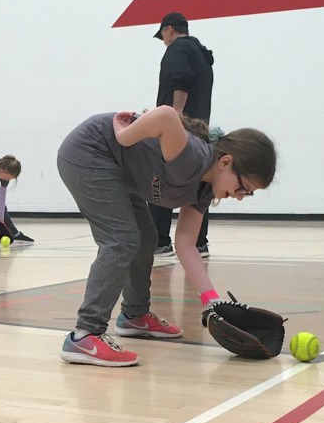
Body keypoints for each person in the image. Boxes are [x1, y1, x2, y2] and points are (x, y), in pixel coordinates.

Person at [56, 105, 276, 367]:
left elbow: (185, 244)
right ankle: (85, 335)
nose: (240, 197)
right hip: (89, 152)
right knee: (122, 239)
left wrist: (211, 299)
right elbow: (166, 116)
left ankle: (134, 317)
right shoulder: (192, 157)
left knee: (146, 238)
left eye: (247, 194)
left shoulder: (204, 191)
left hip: (117, 170)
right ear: (225, 162)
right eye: (243, 188)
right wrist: (123, 137)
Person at [149, 12, 215, 259]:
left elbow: (180, 81)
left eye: (163, 36)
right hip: (200, 131)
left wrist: (174, 117)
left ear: (168, 30)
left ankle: (160, 243)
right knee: (199, 186)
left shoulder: (177, 49)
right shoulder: (201, 54)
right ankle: (199, 243)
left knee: (158, 179)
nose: (164, 41)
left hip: (179, 131)